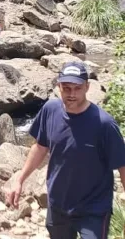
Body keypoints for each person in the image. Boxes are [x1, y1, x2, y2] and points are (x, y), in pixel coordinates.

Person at [6, 62, 125, 239]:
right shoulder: (50, 110)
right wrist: (20, 179)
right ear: (58, 86)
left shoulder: (104, 124)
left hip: (93, 209)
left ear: (87, 87)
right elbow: (40, 147)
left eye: (77, 88)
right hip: (58, 205)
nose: (71, 94)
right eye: (66, 88)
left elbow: (123, 166)